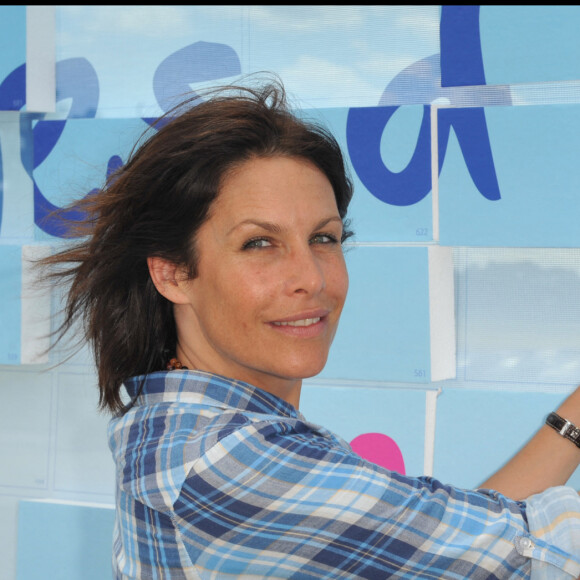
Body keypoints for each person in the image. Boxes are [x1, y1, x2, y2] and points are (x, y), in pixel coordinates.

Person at [42, 77, 580, 579]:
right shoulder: (226, 463)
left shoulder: (188, 428)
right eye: (259, 243)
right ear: (173, 272)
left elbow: (464, 551)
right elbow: (528, 556)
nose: (310, 278)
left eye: (323, 238)